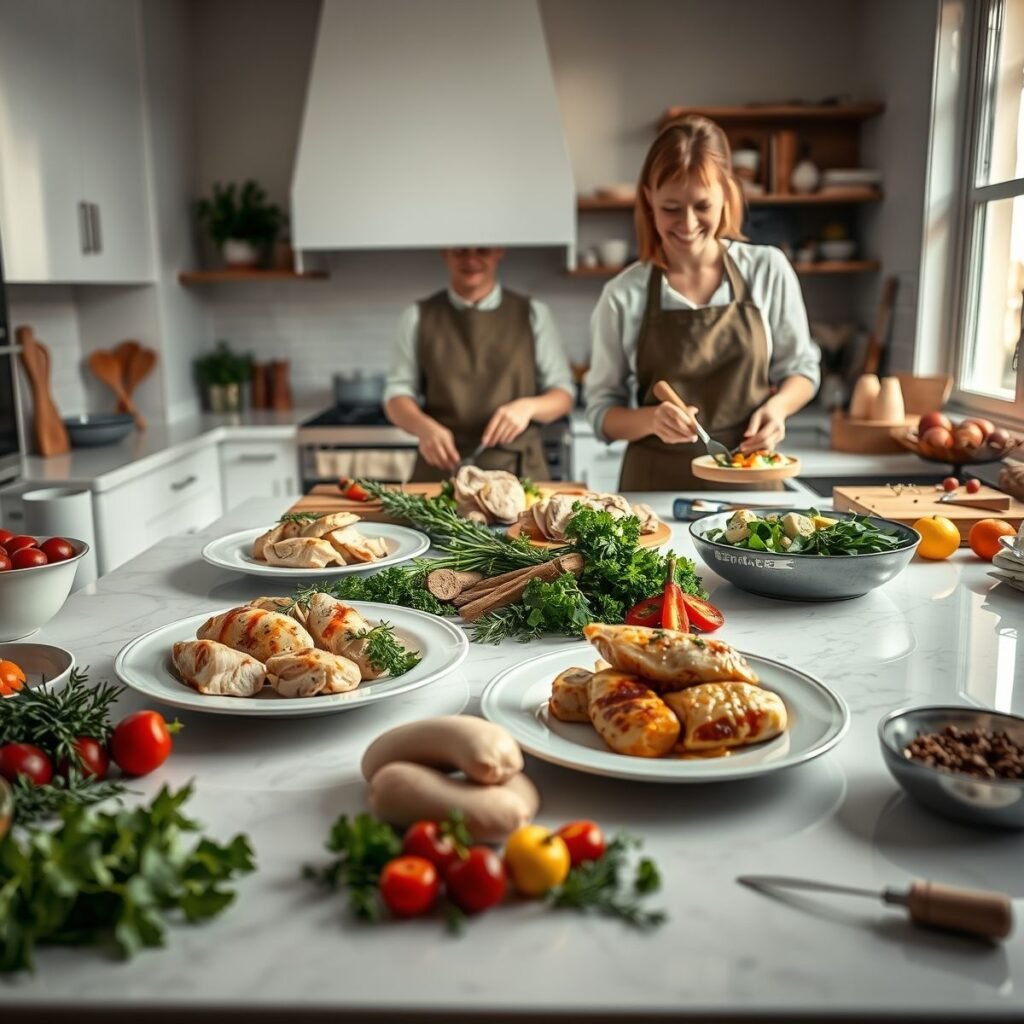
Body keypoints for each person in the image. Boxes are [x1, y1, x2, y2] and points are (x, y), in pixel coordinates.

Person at [584, 116, 821, 491]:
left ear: (727, 194)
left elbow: (802, 371)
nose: (688, 223)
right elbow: (600, 412)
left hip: (751, 488)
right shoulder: (623, 293)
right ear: (648, 198)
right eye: (671, 208)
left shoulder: (767, 269)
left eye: (702, 205)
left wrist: (777, 410)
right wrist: (650, 420)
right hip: (654, 494)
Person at [384, 247, 574, 482]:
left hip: (518, 472)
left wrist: (529, 407)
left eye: (482, 251)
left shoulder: (534, 314)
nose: (471, 260)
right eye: (461, 251)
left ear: (499, 251)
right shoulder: (417, 316)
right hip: (441, 471)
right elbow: (397, 396)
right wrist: (422, 426)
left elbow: (563, 395)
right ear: (445, 252)